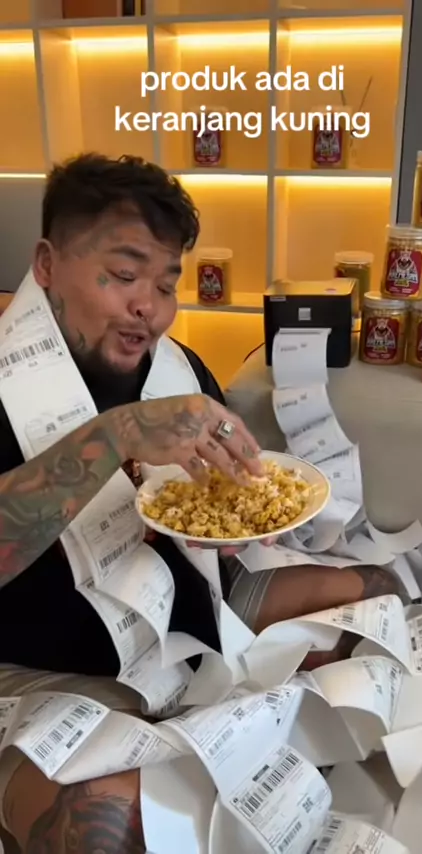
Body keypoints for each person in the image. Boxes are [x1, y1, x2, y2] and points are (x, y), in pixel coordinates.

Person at [0, 153, 401, 854]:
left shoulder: (178, 372)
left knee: (376, 593)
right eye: (124, 275)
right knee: (108, 831)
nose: (148, 307)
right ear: (46, 264)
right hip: (47, 667)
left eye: (165, 283)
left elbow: (214, 502)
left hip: (192, 623)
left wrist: (234, 521)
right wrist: (118, 433)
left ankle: (224, 749)